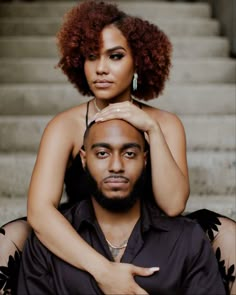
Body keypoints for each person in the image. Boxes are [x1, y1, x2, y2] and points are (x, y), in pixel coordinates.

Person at [0, 1, 235, 294]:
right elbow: (39, 211)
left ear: (139, 62)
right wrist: (103, 270)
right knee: (10, 237)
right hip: (85, 234)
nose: (100, 68)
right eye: (91, 56)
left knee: (229, 235)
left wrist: (151, 129)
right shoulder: (65, 125)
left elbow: (173, 205)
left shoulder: (165, 123)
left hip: (154, 234)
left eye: (115, 56)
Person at [17, 119, 226, 294]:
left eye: (129, 154)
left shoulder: (186, 239)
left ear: (145, 160)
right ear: (83, 159)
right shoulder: (46, 244)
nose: (116, 166)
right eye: (102, 154)